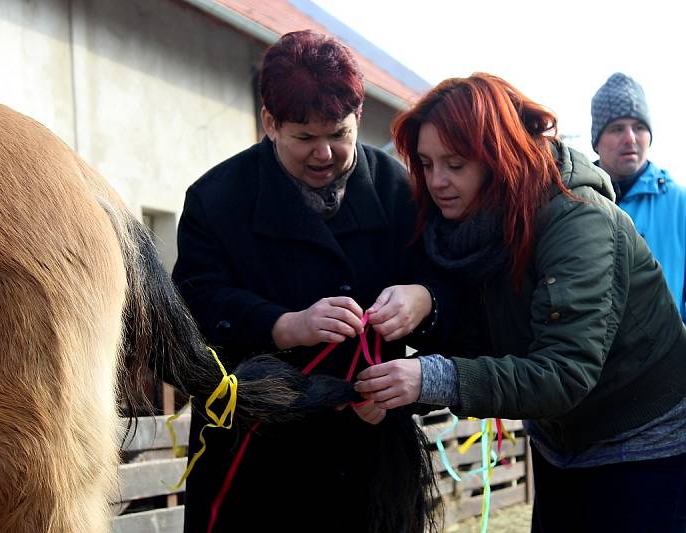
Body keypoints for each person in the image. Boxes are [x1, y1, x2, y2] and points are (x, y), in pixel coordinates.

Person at [354, 73, 686, 533]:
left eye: (455, 163)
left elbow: (564, 372)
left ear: (499, 156)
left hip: (646, 444)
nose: (437, 181)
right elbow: (483, 338)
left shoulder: (577, 217)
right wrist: (400, 383)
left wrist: (428, 379)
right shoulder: (469, 227)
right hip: (560, 441)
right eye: (427, 164)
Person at [172, 30, 445, 533]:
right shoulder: (217, 198)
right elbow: (194, 302)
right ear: (270, 124)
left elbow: (451, 289)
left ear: (358, 119)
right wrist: (284, 325)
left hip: (372, 450)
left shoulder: (400, 191)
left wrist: (423, 298)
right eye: (304, 138)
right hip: (255, 456)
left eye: (338, 134)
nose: (324, 153)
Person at [591, 72, 686, 321]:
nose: (630, 138)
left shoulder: (680, 204)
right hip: (590, 356)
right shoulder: (575, 201)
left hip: (665, 355)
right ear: (596, 141)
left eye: (639, 127)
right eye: (617, 128)